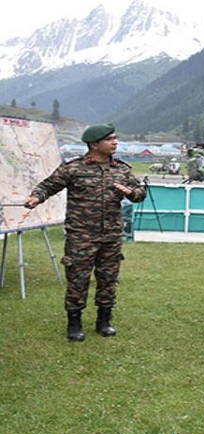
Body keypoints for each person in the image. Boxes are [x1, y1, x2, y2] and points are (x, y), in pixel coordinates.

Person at [24, 123, 146, 341]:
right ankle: (74, 322)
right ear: (94, 144)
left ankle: (104, 321)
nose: (115, 142)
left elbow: (139, 193)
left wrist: (131, 192)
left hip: (111, 236)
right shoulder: (74, 169)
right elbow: (49, 185)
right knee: (78, 279)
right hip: (81, 236)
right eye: (110, 139)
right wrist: (36, 197)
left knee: (108, 278)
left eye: (115, 138)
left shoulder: (122, 169)